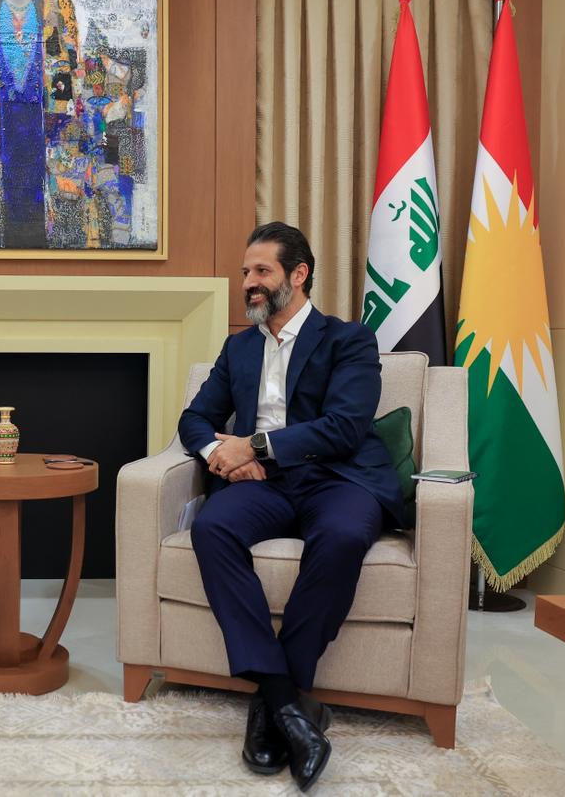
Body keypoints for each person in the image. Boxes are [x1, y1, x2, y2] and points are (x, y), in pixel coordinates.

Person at [178, 222, 403, 792]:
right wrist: (219, 454)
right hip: (265, 484)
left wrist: (252, 446)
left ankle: (273, 701)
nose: (248, 283)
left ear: (298, 274)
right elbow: (195, 418)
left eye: (262, 271)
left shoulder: (348, 340)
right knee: (213, 527)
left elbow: (345, 427)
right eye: (245, 272)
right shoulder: (239, 347)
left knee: (344, 536)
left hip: (338, 478)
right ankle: (288, 703)